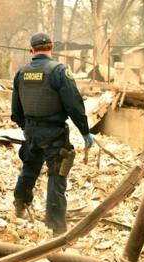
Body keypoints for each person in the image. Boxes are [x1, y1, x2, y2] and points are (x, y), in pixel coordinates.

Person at [11, 32, 95, 236]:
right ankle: (56, 228)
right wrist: (85, 132)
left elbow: (15, 109)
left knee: (29, 168)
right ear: (51, 48)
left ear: (31, 50)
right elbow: (74, 104)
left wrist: (26, 127)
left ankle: (19, 206)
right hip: (54, 133)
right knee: (57, 176)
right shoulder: (59, 71)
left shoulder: (21, 73)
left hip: (31, 131)